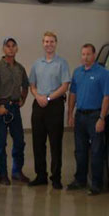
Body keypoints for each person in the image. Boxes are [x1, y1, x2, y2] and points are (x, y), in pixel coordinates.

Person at [67, 43, 109, 196]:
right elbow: (72, 94)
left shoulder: (103, 73)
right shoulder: (77, 72)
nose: (85, 57)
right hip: (80, 116)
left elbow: (107, 96)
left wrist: (102, 118)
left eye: (88, 54)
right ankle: (80, 180)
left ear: (94, 56)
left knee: (96, 151)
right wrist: (70, 115)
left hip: (95, 116)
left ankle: (96, 183)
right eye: (83, 54)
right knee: (80, 151)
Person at [0, 37, 30, 186]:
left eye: (13, 46)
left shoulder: (20, 68)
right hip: (1, 109)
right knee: (1, 143)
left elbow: (26, 85)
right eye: (7, 46)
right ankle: (2, 174)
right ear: (3, 49)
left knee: (19, 141)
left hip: (15, 109)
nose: (10, 48)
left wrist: (23, 99)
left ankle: (17, 171)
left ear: (17, 49)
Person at [28, 31, 70, 190]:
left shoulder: (62, 63)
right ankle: (40, 175)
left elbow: (65, 85)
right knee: (38, 143)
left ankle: (56, 177)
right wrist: (38, 96)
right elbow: (32, 85)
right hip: (38, 104)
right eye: (46, 41)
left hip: (55, 105)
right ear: (43, 43)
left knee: (55, 143)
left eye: (52, 41)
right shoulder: (37, 64)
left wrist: (49, 98)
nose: (49, 44)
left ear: (56, 43)